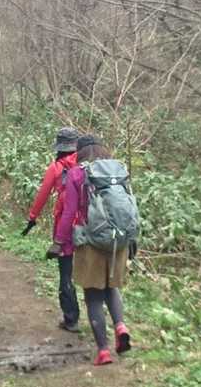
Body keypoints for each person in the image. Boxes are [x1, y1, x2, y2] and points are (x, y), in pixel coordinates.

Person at [62, 134, 133, 366]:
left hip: (91, 242)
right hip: (118, 241)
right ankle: (120, 326)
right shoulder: (117, 170)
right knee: (112, 287)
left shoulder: (76, 173)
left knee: (93, 295)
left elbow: (69, 212)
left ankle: (103, 351)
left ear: (80, 152)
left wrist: (60, 240)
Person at [21, 124, 80, 330]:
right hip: (89, 224)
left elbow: (42, 195)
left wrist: (32, 217)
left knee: (66, 273)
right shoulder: (86, 165)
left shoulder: (56, 168)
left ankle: (71, 318)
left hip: (65, 226)